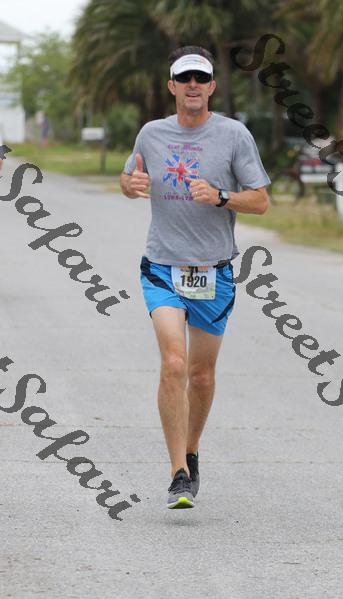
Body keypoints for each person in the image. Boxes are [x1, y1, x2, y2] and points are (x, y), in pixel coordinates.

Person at [120, 45, 270, 509]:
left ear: (211, 87)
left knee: (201, 376)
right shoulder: (151, 133)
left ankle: (191, 450)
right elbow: (129, 179)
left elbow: (261, 200)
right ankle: (178, 475)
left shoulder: (233, 135)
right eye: (184, 78)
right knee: (174, 362)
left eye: (200, 79)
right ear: (171, 86)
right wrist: (130, 186)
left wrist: (221, 196)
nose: (192, 86)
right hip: (162, 267)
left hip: (214, 272)